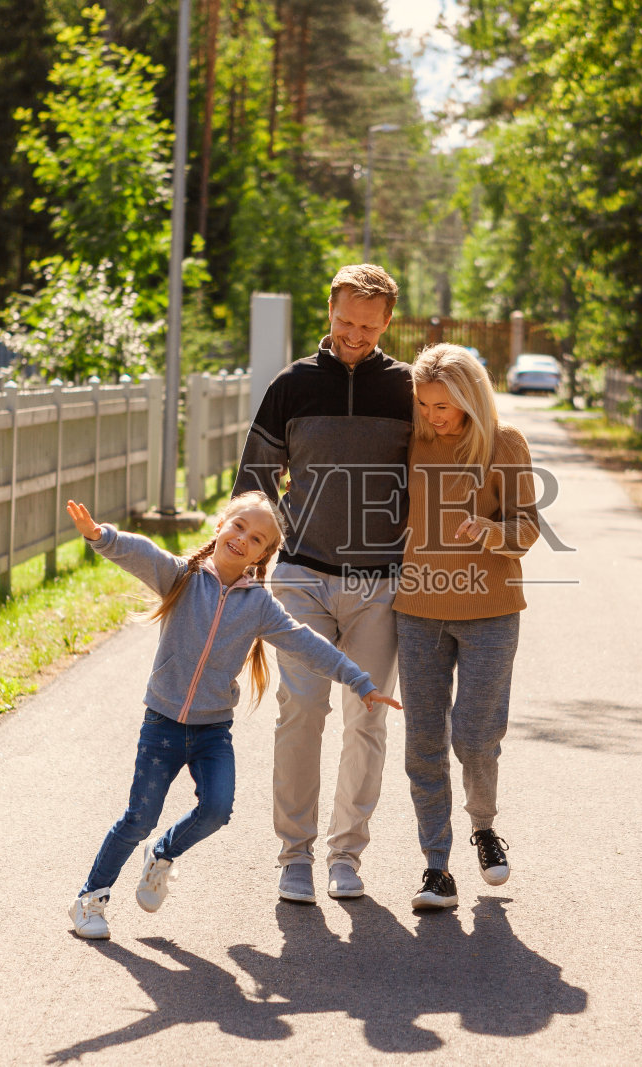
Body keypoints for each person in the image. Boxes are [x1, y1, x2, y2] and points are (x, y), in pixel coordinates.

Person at [65, 493, 401, 940]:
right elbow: (142, 554)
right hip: (162, 725)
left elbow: (307, 643)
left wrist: (360, 681)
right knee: (138, 818)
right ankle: (90, 899)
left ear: (264, 555)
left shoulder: (259, 606)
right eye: (239, 526)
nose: (244, 538)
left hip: (211, 731)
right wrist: (100, 536)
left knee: (217, 810)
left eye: (257, 538)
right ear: (221, 526)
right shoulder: (182, 578)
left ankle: (163, 855)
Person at [232, 264, 413, 904]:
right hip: (303, 578)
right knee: (302, 712)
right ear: (328, 311)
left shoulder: (405, 391)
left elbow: (435, 472)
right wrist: (241, 574)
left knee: (368, 718)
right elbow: (254, 483)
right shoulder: (292, 386)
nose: (354, 336)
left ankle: (347, 856)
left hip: (379, 586)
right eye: (344, 322)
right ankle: (294, 857)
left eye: (368, 326)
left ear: (388, 322)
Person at [393, 344, 540, 910]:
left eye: (445, 405)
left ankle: (484, 826)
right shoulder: (415, 442)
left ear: (471, 397)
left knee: (476, 738)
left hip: (491, 612)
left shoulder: (505, 445)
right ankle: (436, 867)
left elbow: (527, 529)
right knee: (423, 744)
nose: (433, 416)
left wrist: (490, 531)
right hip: (418, 611)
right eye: (425, 404)